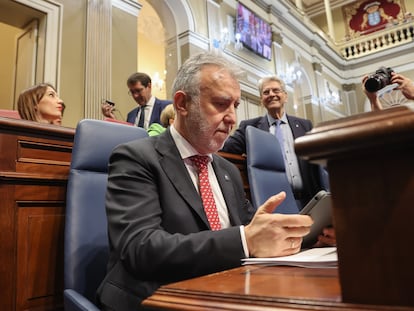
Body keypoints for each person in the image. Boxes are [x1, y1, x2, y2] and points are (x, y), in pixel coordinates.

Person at [96, 52, 313, 310]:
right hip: (154, 299)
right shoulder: (135, 157)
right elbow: (141, 250)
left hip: (224, 291)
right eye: (221, 104)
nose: (232, 117)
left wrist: (306, 234)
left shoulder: (227, 170)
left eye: (235, 105)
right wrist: (246, 240)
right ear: (182, 103)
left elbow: (251, 230)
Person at [221, 76, 324, 209]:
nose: (271, 95)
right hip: (274, 204)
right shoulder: (250, 128)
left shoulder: (305, 125)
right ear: (261, 100)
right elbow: (225, 148)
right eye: (266, 92)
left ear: (285, 96)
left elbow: (319, 163)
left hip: (309, 200)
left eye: (276, 90)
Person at [102, 72, 171, 129]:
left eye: (138, 90)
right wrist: (113, 120)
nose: (135, 95)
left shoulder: (167, 107)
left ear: (149, 86)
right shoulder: (131, 115)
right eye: (132, 92)